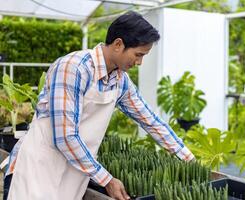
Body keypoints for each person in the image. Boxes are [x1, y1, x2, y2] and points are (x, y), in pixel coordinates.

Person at [4, 11, 195, 200]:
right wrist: (107, 180)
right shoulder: (74, 67)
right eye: (138, 55)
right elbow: (64, 136)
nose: (139, 62)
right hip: (40, 167)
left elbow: (150, 121)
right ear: (119, 44)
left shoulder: (121, 80)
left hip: (76, 172)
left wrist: (189, 158)